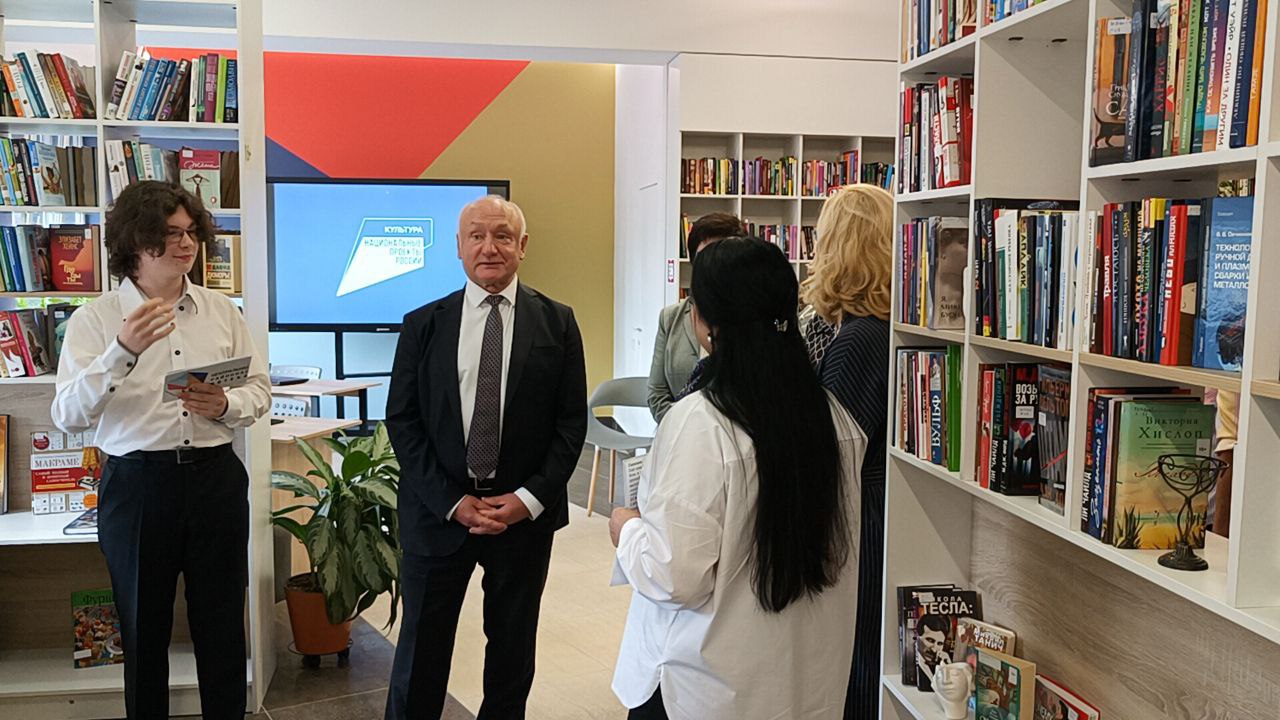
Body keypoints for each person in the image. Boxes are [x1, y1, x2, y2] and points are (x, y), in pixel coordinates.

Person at [610, 237, 865, 720]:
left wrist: (627, 530)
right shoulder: (834, 418)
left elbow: (675, 577)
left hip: (702, 687)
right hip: (803, 680)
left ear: (706, 324)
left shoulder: (701, 423)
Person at [51, 181, 270, 720]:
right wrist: (121, 350)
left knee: (222, 626)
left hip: (215, 478)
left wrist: (226, 404)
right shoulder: (96, 320)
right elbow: (68, 415)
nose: (186, 244)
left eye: (191, 232)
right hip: (138, 486)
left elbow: (259, 390)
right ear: (136, 240)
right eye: (170, 234)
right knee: (142, 631)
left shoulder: (221, 311)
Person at [384, 196, 588, 720]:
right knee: (421, 655)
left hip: (521, 519)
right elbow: (403, 421)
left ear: (523, 245)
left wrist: (528, 499)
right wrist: (452, 502)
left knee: (512, 657)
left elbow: (570, 425)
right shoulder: (423, 324)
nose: (489, 247)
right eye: (476, 236)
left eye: (502, 235)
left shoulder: (558, 323)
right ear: (459, 246)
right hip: (439, 513)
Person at [800, 183, 894, 720]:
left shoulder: (856, 343)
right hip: (877, 512)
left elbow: (831, 456)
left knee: (854, 665)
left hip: (861, 522)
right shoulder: (884, 331)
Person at [647, 213, 741, 422]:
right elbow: (656, 393)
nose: (712, 265)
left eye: (720, 255)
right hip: (678, 433)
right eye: (704, 257)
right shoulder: (671, 317)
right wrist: (688, 429)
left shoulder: (752, 319)